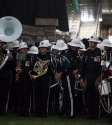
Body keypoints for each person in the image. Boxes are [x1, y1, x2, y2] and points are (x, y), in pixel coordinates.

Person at [80, 34, 102, 120]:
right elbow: (83, 66)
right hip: (88, 75)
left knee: (96, 95)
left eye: (92, 41)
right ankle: (90, 113)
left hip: (97, 75)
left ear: (96, 43)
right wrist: (82, 77)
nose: (91, 43)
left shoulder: (100, 52)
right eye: (90, 41)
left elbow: (103, 66)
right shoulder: (86, 53)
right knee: (88, 95)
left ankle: (96, 114)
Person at [54, 39, 76, 119]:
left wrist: (61, 73)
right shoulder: (62, 55)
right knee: (65, 95)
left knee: (70, 95)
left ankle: (71, 113)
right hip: (65, 77)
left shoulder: (64, 56)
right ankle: (66, 112)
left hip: (68, 76)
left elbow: (68, 67)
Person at [30, 40, 52, 117]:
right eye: (41, 47)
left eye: (44, 47)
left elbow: (54, 67)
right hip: (37, 78)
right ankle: (38, 112)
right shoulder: (36, 56)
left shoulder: (50, 56)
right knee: (37, 95)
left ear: (47, 48)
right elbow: (33, 66)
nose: (42, 49)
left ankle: (44, 112)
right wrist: (31, 72)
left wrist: (49, 63)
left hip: (45, 78)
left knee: (45, 95)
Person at [16, 42, 32, 117]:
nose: (25, 50)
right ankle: (21, 110)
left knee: (26, 95)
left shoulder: (29, 57)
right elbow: (12, 67)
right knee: (20, 95)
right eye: (23, 48)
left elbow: (32, 67)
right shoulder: (17, 57)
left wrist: (31, 71)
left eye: (26, 48)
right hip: (19, 78)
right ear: (20, 50)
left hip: (27, 79)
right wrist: (15, 68)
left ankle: (26, 111)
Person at [0, 40, 12, 115]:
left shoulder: (7, 52)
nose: (1, 44)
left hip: (5, 75)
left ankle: (3, 109)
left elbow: (11, 66)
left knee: (4, 93)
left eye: (2, 43)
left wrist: (9, 59)